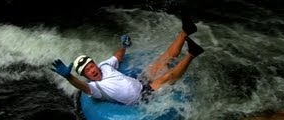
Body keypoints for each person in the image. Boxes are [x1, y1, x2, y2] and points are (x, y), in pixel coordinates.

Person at [51, 13, 204, 105]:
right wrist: (69, 77)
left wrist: (123, 47)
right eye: (87, 71)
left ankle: (185, 31)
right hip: (141, 98)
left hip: (140, 81)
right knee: (167, 76)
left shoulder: (104, 65)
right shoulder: (96, 89)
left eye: (91, 66)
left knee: (163, 59)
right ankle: (192, 53)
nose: (92, 70)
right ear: (86, 77)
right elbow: (82, 87)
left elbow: (117, 57)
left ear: (95, 64)